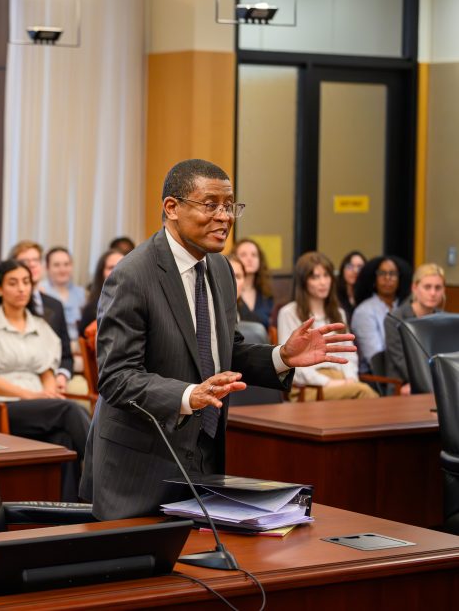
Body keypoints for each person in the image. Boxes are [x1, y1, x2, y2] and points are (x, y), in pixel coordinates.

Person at [80, 159, 356, 519]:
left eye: (229, 206)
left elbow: (224, 353)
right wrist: (186, 395)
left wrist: (281, 357)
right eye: (211, 205)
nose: (225, 216)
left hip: (203, 457)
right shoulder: (133, 275)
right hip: (139, 467)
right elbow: (116, 377)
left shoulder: (222, 269)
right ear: (172, 208)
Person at [0, 260, 91, 502]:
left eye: (26, 282)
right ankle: (100, 472)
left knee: (63, 440)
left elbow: (46, 370)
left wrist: (49, 393)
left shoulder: (39, 324)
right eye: (13, 283)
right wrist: (33, 396)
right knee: (68, 410)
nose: (21, 289)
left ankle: (72, 508)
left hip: (39, 408)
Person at [277, 252, 377, 401]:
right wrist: (327, 382)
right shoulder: (288, 313)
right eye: (315, 277)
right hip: (308, 386)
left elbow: (349, 353)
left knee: (360, 393)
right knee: (365, 393)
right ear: (304, 282)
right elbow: (291, 362)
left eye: (326, 275)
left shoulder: (339, 313)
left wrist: (350, 379)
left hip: (341, 379)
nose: (323, 282)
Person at [10, 240, 75, 392]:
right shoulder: (4, 305)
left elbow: (66, 354)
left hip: (54, 378)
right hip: (19, 379)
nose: (31, 265)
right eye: (25, 261)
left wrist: (62, 375)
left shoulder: (55, 305)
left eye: (35, 261)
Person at [384, 263, 446, 393]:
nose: (433, 293)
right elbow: (401, 362)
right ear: (415, 288)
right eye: (427, 287)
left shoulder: (443, 319)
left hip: (439, 382)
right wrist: (430, 383)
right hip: (403, 383)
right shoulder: (394, 319)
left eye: (438, 288)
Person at [350, 255, 412, 373]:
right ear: (374, 278)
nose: (388, 278)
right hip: (376, 376)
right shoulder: (364, 311)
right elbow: (376, 360)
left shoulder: (405, 307)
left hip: (405, 371)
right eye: (382, 273)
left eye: (393, 274)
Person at [41, 247, 86, 343]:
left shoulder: (81, 293)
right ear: (47, 268)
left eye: (66, 264)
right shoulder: (41, 291)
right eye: (56, 265)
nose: (62, 269)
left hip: (77, 348)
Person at [78, 249, 124, 337]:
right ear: (101, 272)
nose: (118, 270)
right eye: (111, 267)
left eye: (122, 266)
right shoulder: (92, 310)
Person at [234, 238, 275, 328]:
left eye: (254, 255)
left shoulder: (266, 294)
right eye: (243, 255)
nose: (249, 259)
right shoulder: (229, 291)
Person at [227, 254, 266, 326]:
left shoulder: (253, 322)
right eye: (227, 275)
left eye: (237, 276)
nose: (233, 281)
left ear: (244, 281)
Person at [336, 251, 366, 321]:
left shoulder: (368, 295)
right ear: (343, 269)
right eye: (350, 266)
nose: (355, 271)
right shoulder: (334, 294)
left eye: (360, 267)